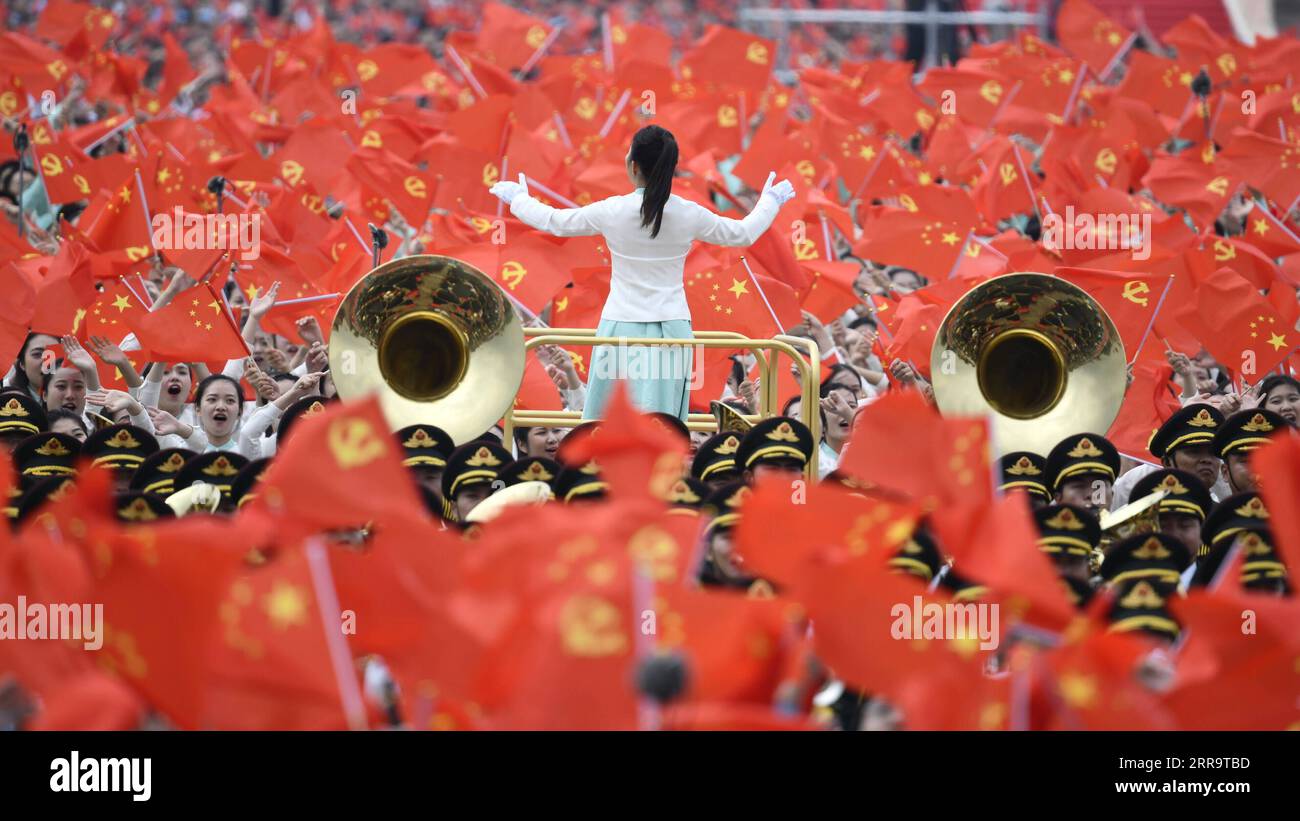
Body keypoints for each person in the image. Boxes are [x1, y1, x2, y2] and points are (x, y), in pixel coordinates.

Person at [489, 124, 796, 421]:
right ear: (672, 167)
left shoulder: (613, 210)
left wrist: (518, 198)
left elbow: (553, 221)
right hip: (671, 328)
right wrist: (770, 201)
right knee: (661, 420)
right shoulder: (688, 213)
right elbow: (742, 233)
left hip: (620, 326)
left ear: (633, 165)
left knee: (608, 418)